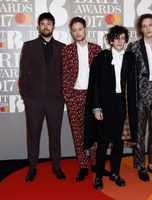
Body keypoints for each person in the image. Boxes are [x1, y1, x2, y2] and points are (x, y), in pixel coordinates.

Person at [84, 25, 137, 190]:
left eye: (122, 38)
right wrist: (96, 108)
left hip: (122, 103)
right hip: (105, 105)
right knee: (102, 143)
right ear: (111, 40)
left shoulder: (130, 58)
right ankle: (98, 176)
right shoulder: (102, 58)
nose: (119, 41)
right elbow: (95, 86)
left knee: (118, 142)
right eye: (116, 38)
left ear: (126, 40)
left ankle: (115, 173)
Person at [19, 12, 66, 182]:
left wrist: (63, 95)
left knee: (55, 134)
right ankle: (32, 168)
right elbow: (23, 73)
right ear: (38, 27)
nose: (46, 26)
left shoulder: (63, 47)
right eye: (43, 23)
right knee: (33, 135)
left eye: (49, 23)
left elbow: (65, 74)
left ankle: (57, 167)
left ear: (53, 26)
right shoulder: (29, 46)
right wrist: (26, 96)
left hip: (56, 99)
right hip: (34, 100)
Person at [62, 17, 101, 182]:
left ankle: (94, 163)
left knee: (94, 131)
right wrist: (69, 98)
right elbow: (64, 76)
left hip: (92, 97)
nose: (78, 32)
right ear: (71, 32)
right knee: (77, 132)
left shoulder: (97, 49)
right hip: (75, 96)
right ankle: (83, 165)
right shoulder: (67, 50)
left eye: (80, 29)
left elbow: (100, 77)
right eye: (74, 30)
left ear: (86, 29)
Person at [127, 13, 152, 182]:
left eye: (150, 25)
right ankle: (140, 165)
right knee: (140, 132)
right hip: (140, 94)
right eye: (144, 26)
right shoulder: (134, 47)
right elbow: (129, 74)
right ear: (140, 28)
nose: (148, 28)